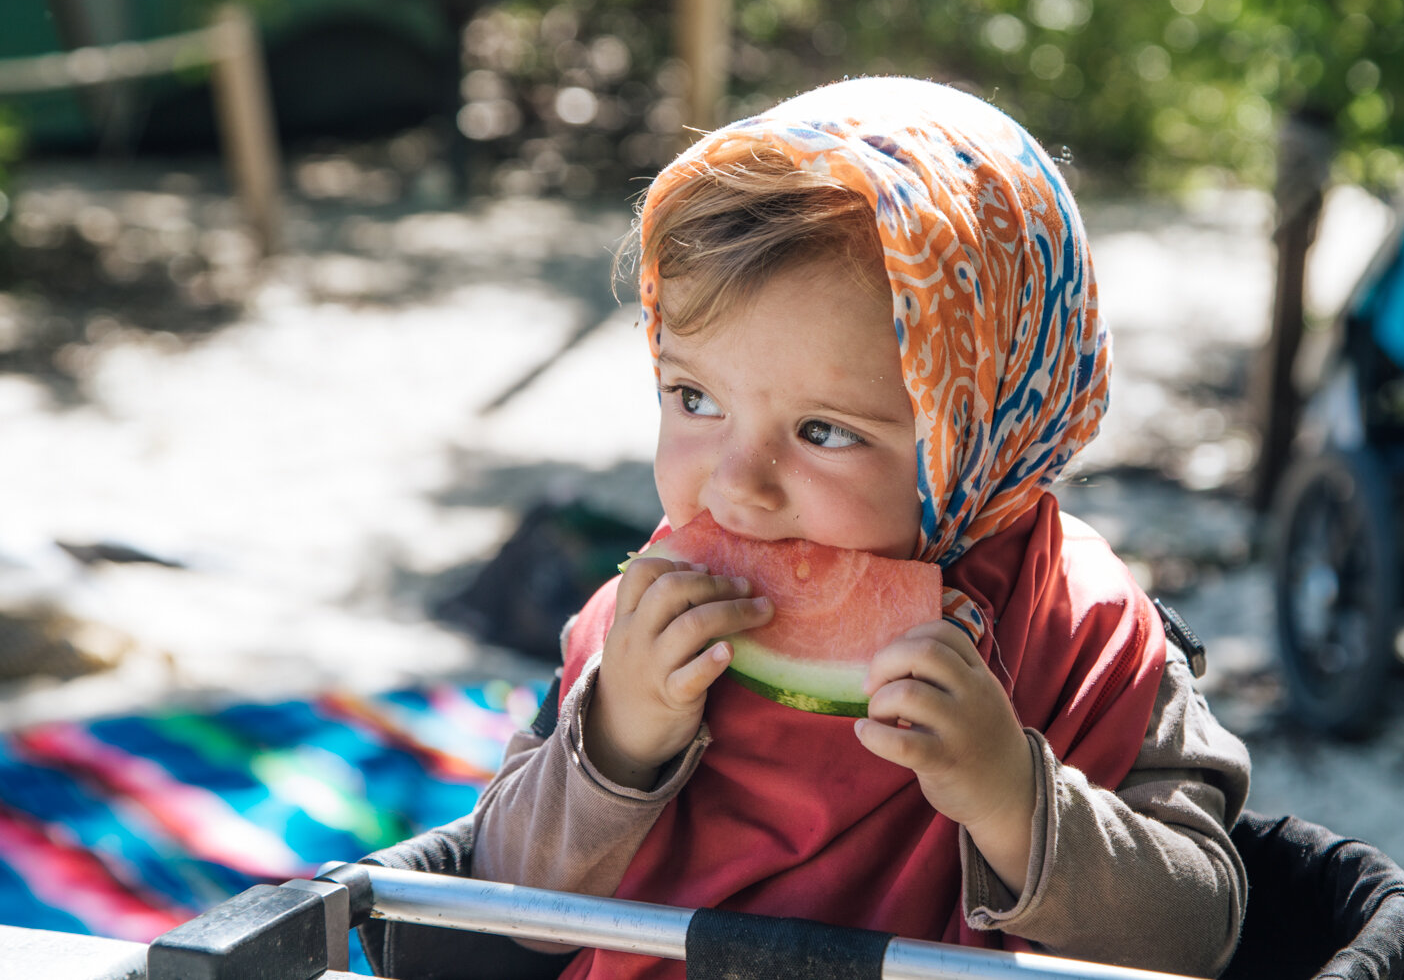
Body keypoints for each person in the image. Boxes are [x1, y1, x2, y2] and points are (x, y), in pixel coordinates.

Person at [471, 76, 1251, 979]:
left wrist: (1014, 799)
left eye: (825, 431)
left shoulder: (1094, 636)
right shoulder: (638, 621)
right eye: (695, 398)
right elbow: (505, 902)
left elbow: (1201, 931)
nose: (737, 490)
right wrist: (613, 742)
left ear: (984, 431)